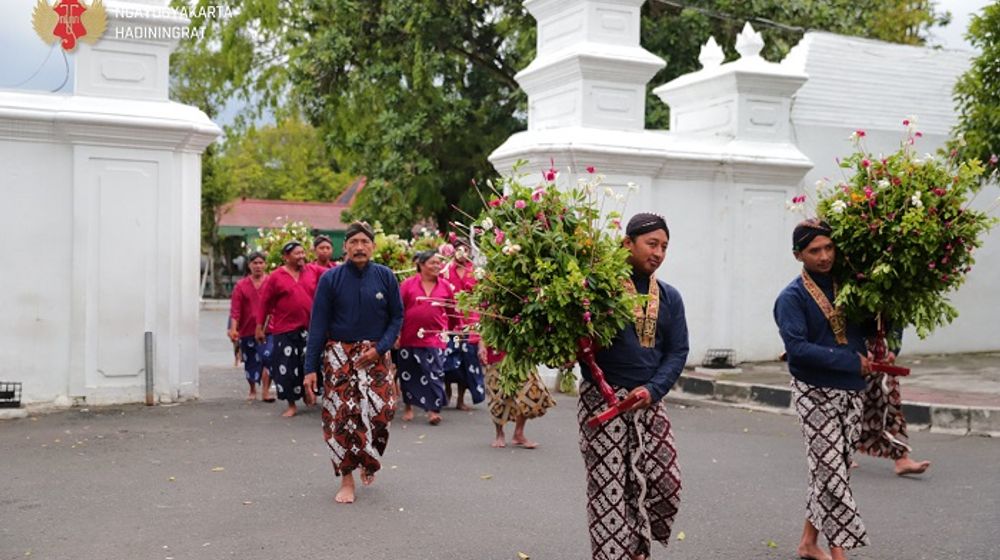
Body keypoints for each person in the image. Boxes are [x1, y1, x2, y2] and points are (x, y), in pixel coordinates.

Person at [577, 213, 688, 560]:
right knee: (611, 490)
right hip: (603, 402)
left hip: (649, 402)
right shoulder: (597, 292)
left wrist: (654, 389)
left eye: (664, 247)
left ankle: (636, 546)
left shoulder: (670, 297)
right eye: (651, 244)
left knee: (665, 484)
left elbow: (678, 350)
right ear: (627, 243)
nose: (658, 253)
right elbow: (580, 346)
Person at [774, 218, 871, 560]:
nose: (825, 256)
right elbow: (797, 350)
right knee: (832, 474)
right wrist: (849, 361)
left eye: (829, 247)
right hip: (813, 392)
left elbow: (867, 329)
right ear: (798, 254)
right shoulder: (791, 298)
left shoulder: (853, 287)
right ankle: (839, 553)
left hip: (853, 391)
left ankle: (807, 542)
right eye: (815, 250)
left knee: (835, 470)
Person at [303, 221, 403, 504]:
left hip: (376, 355)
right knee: (341, 418)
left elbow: (397, 317)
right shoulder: (330, 280)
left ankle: (368, 460)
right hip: (338, 356)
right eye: (354, 242)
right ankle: (347, 478)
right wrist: (309, 369)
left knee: (382, 412)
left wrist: (380, 348)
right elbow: (318, 325)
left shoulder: (385, 276)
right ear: (345, 247)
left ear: (373, 246)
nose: (360, 247)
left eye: (365, 242)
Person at [395, 251, 456, 425]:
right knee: (408, 373)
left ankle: (433, 410)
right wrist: (397, 334)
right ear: (421, 265)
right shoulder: (407, 285)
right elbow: (398, 311)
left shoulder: (445, 286)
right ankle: (408, 407)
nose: (437, 266)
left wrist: (450, 332)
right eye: (432, 263)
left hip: (435, 338)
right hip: (409, 336)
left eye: (439, 263)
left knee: (435, 373)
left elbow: (452, 312)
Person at [256, 241, 313, 417]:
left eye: (303, 252)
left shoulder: (312, 271)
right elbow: (264, 303)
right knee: (286, 368)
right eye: (297, 253)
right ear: (286, 257)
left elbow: (333, 274)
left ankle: (307, 392)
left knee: (309, 364)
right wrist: (260, 327)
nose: (301, 256)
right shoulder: (276, 276)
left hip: (309, 328)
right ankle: (291, 404)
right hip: (284, 330)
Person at [856, 350, 931, 475]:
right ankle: (842, 453)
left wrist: (893, 349)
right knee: (853, 408)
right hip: (855, 356)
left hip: (883, 356)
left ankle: (902, 459)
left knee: (892, 405)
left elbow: (896, 330)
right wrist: (857, 349)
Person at [441, 241, 486, 410]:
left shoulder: (475, 271)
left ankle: (461, 399)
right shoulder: (445, 271)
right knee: (448, 361)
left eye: (465, 250)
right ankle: (446, 392)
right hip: (450, 320)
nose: (462, 253)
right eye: (458, 249)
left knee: (467, 362)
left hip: (470, 321)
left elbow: (481, 298)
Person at [482, 346, 554, 449]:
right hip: (497, 355)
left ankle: (518, 433)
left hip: (522, 355)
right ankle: (499, 434)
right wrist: (481, 346)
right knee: (498, 398)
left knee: (532, 392)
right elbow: (481, 332)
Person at [228, 251, 272, 401]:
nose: (258, 266)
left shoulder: (271, 282)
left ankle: (266, 391)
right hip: (247, 330)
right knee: (251, 362)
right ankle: (253, 388)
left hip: (269, 329)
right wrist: (233, 328)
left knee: (268, 357)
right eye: (255, 263)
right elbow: (235, 310)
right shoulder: (241, 285)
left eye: (261, 263)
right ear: (249, 265)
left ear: (265, 265)